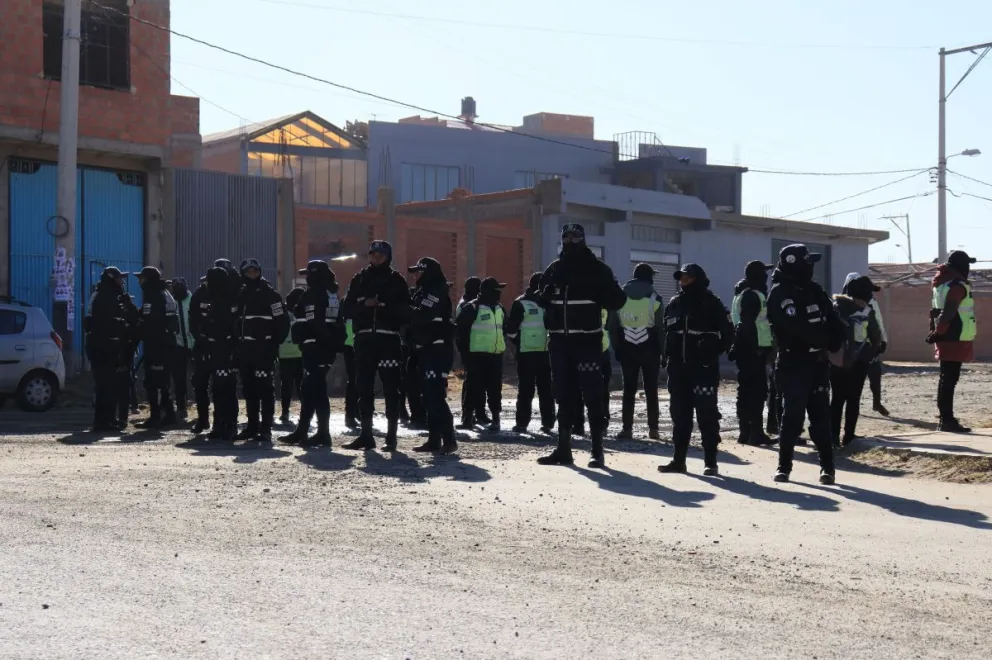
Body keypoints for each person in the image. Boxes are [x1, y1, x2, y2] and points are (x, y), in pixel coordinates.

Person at [537, 224, 626, 469]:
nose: (570, 241)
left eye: (575, 237)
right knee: (563, 396)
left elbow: (618, 300)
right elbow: (541, 300)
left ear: (583, 239)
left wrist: (600, 292)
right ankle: (563, 450)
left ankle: (597, 451)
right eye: (566, 236)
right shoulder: (554, 269)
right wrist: (543, 295)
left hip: (587, 342)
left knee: (593, 395)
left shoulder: (597, 269)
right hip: (559, 343)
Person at [766, 244, 846, 484]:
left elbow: (833, 320)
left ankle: (827, 468)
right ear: (795, 264)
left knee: (821, 417)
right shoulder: (780, 294)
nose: (811, 267)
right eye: (808, 262)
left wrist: (835, 340)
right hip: (793, 363)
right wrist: (822, 339)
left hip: (818, 363)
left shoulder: (815, 290)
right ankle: (784, 467)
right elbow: (796, 326)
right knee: (792, 417)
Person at [657, 264, 734, 476]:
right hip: (678, 370)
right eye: (681, 278)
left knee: (707, 416)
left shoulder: (713, 303)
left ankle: (710, 462)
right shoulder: (674, 303)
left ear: (697, 279)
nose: (683, 281)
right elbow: (667, 333)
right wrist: (666, 357)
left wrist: (711, 352)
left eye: (687, 278)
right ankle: (678, 461)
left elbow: (729, 335)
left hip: (703, 369)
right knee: (680, 417)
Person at [341, 240, 411, 451]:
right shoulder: (359, 279)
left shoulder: (397, 280)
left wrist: (384, 307)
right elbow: (346, 308)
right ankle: (366, 435)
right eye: (373, 254)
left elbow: (406, 311)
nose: (376, 258)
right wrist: (364, 304)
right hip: (363, 341)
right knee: (363, 386)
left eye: (380, 255)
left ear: (388, 257)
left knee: (391, 388)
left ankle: (391, 437)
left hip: (388, 340)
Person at [280, 261, 343, 447]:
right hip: (323, 347)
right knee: (308, 388)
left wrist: (315, 343)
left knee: (316, 389)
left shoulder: (315, 294)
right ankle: (302, 430)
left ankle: (323, 433)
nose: (306, 278)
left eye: (308, 274)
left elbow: (314, 322)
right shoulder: (330, 293)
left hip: (316, 347)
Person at [406, 257, 458, 453]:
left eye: (419, 271)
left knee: (435, 395)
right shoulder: (423, 292)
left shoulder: (436, 292)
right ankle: (434, 440)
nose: (415, 275)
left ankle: (449, 440)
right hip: (425, 350)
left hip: (437, 350)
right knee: (427, 396)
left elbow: (422, 314)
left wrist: (405, 307)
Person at [235, 259, 289, 443]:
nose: (252, 274)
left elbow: (282, 322)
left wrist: (272, 345)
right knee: (249, 390)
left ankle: (266, 429)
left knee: (265, 389)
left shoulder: (271, 295)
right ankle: (251, 427)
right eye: (248, 272)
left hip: (263, 350)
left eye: (254, 271)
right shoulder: (239, 295)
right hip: (245, 351)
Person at [609, 263, 664, 440]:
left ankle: (626, 429)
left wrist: (616, 347)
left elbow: (612, 325)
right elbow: (661, 328)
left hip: (627, 347)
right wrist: (663, 352)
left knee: (629, 390)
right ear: (648, 277)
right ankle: (653, 429)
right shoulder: (655, 298)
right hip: (650, 347)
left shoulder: (619, 297)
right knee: (651, 389)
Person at [928, 250, 978, 433]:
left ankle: (945, 419)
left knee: (946, 379)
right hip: (954, 337)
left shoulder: (941, 284)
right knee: (949, 379)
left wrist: (935, 333)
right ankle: (947, 420)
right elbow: (948, 313)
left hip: (946, 336)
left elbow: (936, 312)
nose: (969, 269)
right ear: (961, 266)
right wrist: (938, 331)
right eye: (967, 265)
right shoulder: (957, 286)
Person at [829, 276, 883, 446]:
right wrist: (871, 352)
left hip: (836, 361)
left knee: (837, 399)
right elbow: (876, 337)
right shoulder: (866, 312)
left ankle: (832, 438)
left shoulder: (834, 308)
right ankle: (849, 436)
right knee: (853, 399)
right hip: (859, 362)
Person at [730, 260, 776, 446]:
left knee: (745, 391)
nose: (766, 276)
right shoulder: (753, 295)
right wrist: (756, 348)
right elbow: (748, 324)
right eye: (763, 272)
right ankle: (755, 433)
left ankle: (745, 432)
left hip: (745, 349)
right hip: (753, 350)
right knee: (756, 392)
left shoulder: (741, 293)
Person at [505, 272, 555, 434]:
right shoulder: (521, 303)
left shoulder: (549, 302)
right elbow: (511, 331)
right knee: (529, 390)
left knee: (544, 390)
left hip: (544, 352)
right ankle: (523, 423)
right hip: (528, 353)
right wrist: (521, 342)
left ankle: (547, 423)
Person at [455, 277, 507, 433]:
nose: (498, 294)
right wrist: (465, 355)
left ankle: (496, 419)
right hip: (476, 355)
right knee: (473, 388)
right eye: (495, 291)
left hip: (495, 355)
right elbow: (460, 333)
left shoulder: (500, 308)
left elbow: (505, 328)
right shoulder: (471, 308)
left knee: (494, 389)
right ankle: (467, 419)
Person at [84, 267, 131, 432]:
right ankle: (102, 421)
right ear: (112, 279)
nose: (122, 281)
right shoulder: (104, 296)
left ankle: (109, 419)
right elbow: (104, 323)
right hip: (102, 347)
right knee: (105, 385)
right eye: (119, 278)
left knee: (110, 385)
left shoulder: (109, 294)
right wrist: (120, 325)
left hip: (107, 346)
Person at [134, 266, 179, 428]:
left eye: (142, 278)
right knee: (161, 381)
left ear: (149, 279)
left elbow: (153, 323)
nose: (139, 281)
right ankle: (169, 415)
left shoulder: (155, 295)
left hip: (159, 346)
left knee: (155, 382)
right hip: (162, 345)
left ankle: (156, 416)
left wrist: (139, 328)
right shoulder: (162, 293)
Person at [203, 266, 241, 442]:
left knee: (226, 389)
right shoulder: (215, 300)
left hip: (225, 352)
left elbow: (230, 329)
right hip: (216, 351)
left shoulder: (225, 301)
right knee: (218, 389)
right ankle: (219, 424)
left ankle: (229, 425)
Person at [455, 276, 490, 428]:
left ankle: (479, 413)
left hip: (478, 348)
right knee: (471, 383)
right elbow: (462, 331)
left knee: (479, 382)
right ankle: (468, 415)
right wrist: (465, 352)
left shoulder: (472, 304)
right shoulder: (466, 306)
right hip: (470, 349)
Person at [278, 287, 306, 425]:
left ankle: (285, 412)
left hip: (285, 354)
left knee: (286, 386)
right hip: (300, 354)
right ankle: (305, 413)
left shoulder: (284, 314)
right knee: (301, 385)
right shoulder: (301, 313)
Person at [170, 277, 195, 420]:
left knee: (199, 378)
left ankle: (202, 405)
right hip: (178, 345)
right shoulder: (171, 302)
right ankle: (181, 407)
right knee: (178, 378)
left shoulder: (192, 300)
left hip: (194, 344)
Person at [340, 306, 359, 430]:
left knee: (357, 382)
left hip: (355, 346)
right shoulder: (350, 308)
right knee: (353, 382)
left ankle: (355, 413)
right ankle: (351, 414)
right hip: (351, 347)